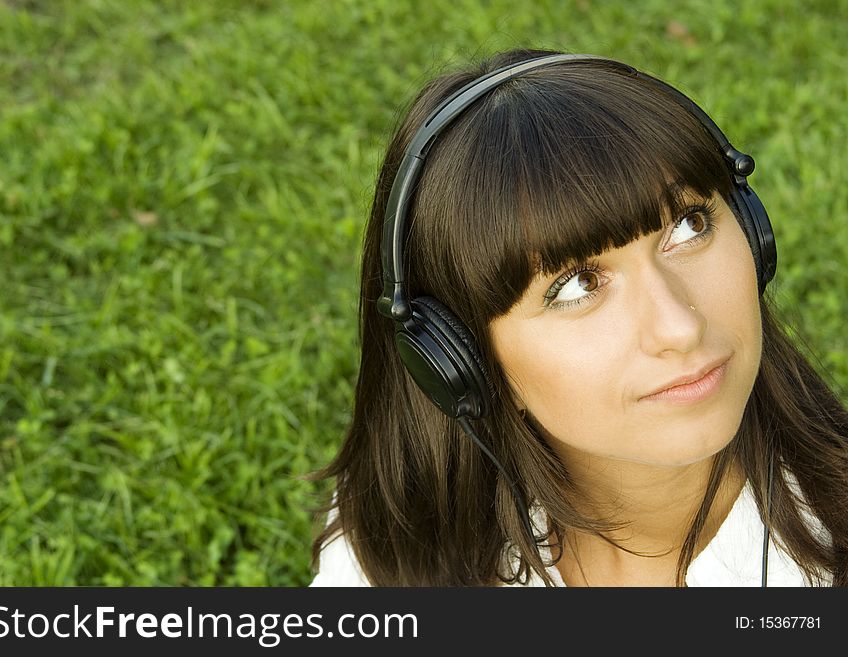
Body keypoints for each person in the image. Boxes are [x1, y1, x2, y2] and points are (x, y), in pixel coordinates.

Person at [308, 48, 848, 587]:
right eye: (577, 284)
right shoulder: (393, 544)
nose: (680, 329)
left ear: (753, 235)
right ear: (457, 361)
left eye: (689, 226)